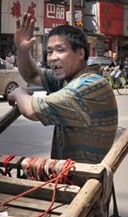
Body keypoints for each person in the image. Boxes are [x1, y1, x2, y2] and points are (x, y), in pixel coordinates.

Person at [7, 13, 118, 164]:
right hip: (67, 180)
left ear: (80, 53)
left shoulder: (88, 86)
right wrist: (22, 50)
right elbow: (32, 74)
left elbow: (32, 110)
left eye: (60, 50)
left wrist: (18, 93)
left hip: (83, 183)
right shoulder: (69, 80)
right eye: (50, 52)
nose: (52, 57)